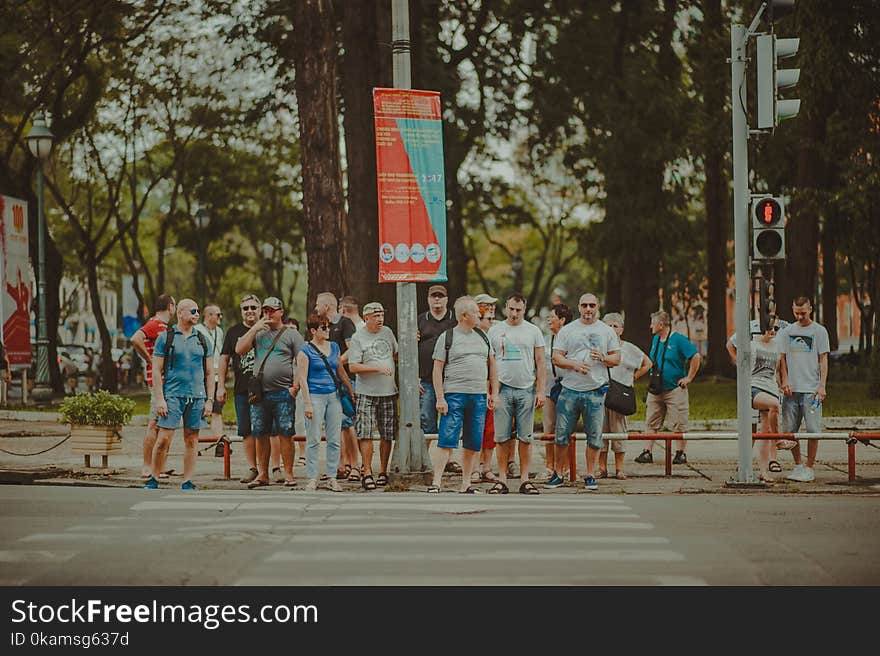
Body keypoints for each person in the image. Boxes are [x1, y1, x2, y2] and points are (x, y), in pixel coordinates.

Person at [546, 293, 620, 491]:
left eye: (592, 305)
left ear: (597, 307)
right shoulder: (568, 330)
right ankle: (558, 474)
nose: (588, 309)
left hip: (595, 391)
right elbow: (556, 358)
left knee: (594, 437)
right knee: (561, 436)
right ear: (579, 307)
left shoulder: (606, 331)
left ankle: (589, 475)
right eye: (585, 305)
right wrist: (575, 365)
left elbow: (617, 358)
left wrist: (604, 357)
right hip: (569, 390)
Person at [428, 296, 498, 493]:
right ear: (465, 315)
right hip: (454, 394)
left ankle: (466, 483)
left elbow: (492, 365)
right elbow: (437, 369)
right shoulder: (447, 337)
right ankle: (437, 482)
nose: (480, 315)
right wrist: (440, 397)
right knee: (446, 438)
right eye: (476, 312)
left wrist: (494, 392)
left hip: (478, 395)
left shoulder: (484, 337)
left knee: (473, 440)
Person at [235, 296, 305, 489]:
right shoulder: (258, 333)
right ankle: (263, 474)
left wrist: (295, 386)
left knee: (285, 433)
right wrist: (256, 327)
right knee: (259, 433)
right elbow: (239, 349)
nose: (269, 314)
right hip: (259, 393)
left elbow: (302, 361)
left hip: (283, 392)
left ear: (281, 312)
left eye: (273, 310)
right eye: (266, 310)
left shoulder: (291, 335)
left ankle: (288, 473)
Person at [145, 299, 212, 490]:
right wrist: (160, 399)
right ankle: (154, 477)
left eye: (198, 310)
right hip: (173, 395)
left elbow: (209, 372)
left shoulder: (202, 339)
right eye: (193, 311)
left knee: (192, 439)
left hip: (197, 396)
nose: (197, 314)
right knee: (164, 438)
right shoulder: (165, 338)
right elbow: (156, 370)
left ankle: (187, 480)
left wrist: (209, 400)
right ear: (180, 313)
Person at [486, 293, 545, 494]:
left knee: (525, 437)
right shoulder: (494, 331)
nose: (514, 313)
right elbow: (489, 363)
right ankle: (501, 479)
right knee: (501, 437)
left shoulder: (533, 331)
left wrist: (540, 390)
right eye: (511, 309)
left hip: (526, 389)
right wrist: (491, 391)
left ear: (524, 309)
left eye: (518, 310)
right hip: (502, 389)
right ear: (506, 307)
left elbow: (541, 362)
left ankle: (525, 479)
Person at [726, 317, 795, 482]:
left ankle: (764, 472)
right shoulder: (752, 345)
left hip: (770, 387)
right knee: (775, 406)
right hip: (753, 388)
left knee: (765, 434)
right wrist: (739, 365)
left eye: (776, 330)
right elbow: (731, 346)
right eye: (770, 329)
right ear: (762, 329)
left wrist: (782, 383)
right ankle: (778, 440)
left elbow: (778, 368)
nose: (773, 332)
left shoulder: (777, 346)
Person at [297, 313, 355, 491]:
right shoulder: (305, 351)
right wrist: (307, 403)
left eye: (328, 326)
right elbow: (302, 378)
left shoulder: (334, 347)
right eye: (324, 327)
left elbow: (341, 372)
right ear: (313, 330)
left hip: (334, 396)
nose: (328, 330)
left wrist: (351, 393)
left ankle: (332, 476)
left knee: (334, 438)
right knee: (313, 438)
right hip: (315, 396)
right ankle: (312, 477)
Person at [635, 310, 701, 466]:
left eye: (652, 323)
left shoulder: (678, 340)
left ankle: (680, 453)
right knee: (651, 421)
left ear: (661, 324)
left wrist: (689, 378)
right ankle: (647, 452)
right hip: (656, 388)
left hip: (674, 388)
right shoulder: (656, 340)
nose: (650, 326)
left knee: (678, 421)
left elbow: (695, 356)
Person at [778, 296, 830, 483]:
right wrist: (784, 380)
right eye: (796, 313)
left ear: (811, 309)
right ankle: (798, 465)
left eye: (803, 313)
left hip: (811, 389)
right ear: (792, 309)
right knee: (791, 431)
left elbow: (823, 359)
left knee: (812, 429)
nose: (800, 316)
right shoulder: (787, 332)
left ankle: (810, 467)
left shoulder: (819, 331)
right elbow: (782, 359)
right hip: (792, 389)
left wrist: (822, 385)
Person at [348, 302, 398, 490]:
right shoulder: (358, 337)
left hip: (389, 391)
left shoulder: (387, 332)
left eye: (382, 315)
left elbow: (396, 354)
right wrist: (376, 367)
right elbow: (353, 366)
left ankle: (383, 471)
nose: (380, 319)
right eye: (376, 316)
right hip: (366, 392)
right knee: (366, 433)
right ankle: (367, 471)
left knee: (387, 434)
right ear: (366, 318)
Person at [598, 312, 651, 479]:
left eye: (615, 326)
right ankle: (601, 468)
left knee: (619, 432)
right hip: (601, 394)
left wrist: (634, 377)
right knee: (600, 432)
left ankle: (619, 468)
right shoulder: (599, 348)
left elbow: (648, 363)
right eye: (609, 326)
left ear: (621, 330)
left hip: (620, 395)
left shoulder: (629, 348)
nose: (612, 329)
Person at [315, 291, 359, 480]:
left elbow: (353, 349)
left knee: (348, 424)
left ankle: (355, 465)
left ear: (326, 306)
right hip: (328, 383)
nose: (315, 308)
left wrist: (336, 362)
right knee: (335, 425)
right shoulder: (323, 327)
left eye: (317, 304)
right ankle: (339, 466)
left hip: (346, 380)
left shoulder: (344, 323)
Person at [130, 294, 175, 479]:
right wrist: (150, 361)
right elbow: (135, 338)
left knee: (165, 425)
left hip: (167, 381)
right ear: (170, 307)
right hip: (158, 382)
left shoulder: (164, 327)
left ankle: (160, 466)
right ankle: (147, 466)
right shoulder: (155, 323)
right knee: (154, 424)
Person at [218, 294, 261, 483]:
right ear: (241, 311)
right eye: (246, 308)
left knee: (265, 429)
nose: (250, 311)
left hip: (265, 388)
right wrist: (220, 385)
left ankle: (269, 468)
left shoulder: (268, 329)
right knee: (246, 429)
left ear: (259, 309)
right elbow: (224, 358)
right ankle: (253, 467)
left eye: (253, 307)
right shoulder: (234, 331)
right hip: (242, 388)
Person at [417, 284, 458, 470]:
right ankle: (424, 460)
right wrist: (414, 377)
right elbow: (410, 351)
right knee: (426, 419)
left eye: (440, 296)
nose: (437, 300)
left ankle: (449, 460)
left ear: (447, 299)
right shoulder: (420, 320)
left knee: (450, 420)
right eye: (433, 296)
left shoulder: (455, 319)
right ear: (428, 299)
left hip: (450, 378)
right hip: (425, 379)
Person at [540, 303, 573, 481]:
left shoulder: (571, 339)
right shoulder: (544, 340)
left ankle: (566, 466)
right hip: (548, 387)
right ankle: (549, 465)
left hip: (567, 387)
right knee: (549, 427)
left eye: (552, 316)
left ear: (562, 320)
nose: (548, 320)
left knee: (565, 427)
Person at [473, 292, 500, 483]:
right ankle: (474, 467)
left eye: (492, 307)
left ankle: (487, 466)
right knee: (475, 428)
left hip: (493, 386)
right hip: (474, 385)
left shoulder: (497, 330)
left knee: (491, 430)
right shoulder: (469, 332)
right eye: (485, 306)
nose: (490, 310)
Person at [195, 305, 225, 444]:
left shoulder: (219, 331)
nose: (220, 317)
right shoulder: (198, 330)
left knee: (217, 411)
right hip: (202, 377)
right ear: (208, 316)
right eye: (218, 315)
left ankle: (219, 442)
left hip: (216, 377)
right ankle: (194, 442)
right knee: (198, 412)